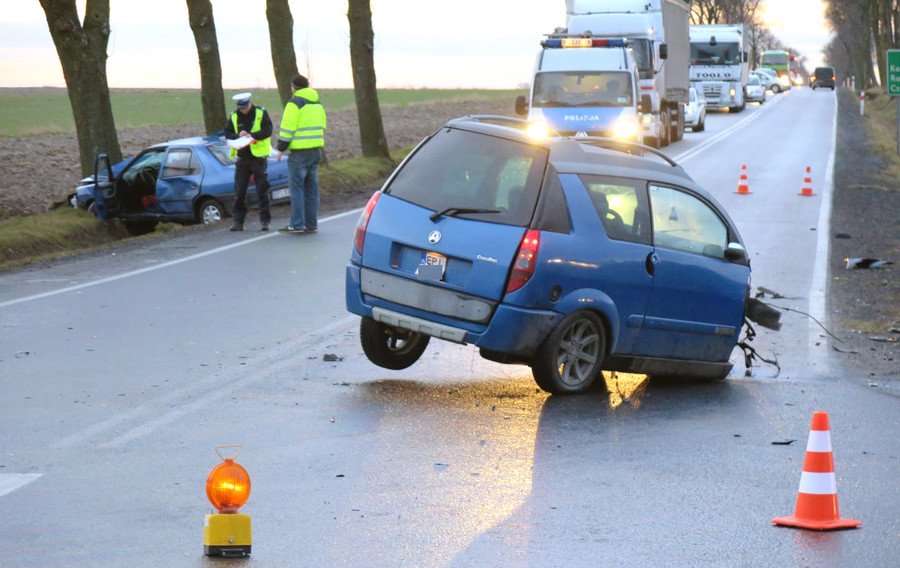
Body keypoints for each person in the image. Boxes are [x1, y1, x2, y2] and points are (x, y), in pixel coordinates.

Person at [275, 75, 327, 234]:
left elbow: (287, 129)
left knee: (297, 189)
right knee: (312, 189)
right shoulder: (317, 104)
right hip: (315, 151)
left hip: (298, 154)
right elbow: (323, 124)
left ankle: (297, 223)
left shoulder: (294, 103)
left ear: (294, 87)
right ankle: (311, 223)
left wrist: (280, 149)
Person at [224, 92, 273, 231]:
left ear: (250, 103)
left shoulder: (260, 112)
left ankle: (265, 221)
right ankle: (238, 222)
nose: (243, 110)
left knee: (262, 191)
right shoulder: (234, 116)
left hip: (258, 158)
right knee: (239, 192)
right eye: (241, 108)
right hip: (242, 158)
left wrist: (253, 136)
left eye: (245, 107)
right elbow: (227, 133)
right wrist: (237, 135)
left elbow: (268, 130)